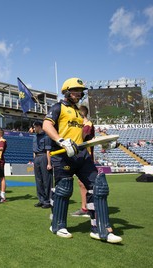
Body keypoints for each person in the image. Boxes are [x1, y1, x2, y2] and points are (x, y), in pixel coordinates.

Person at [43, 77, 122, 243]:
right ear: (66, 91)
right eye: (75, 90)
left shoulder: (79, 113)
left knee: (98, 187)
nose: (79, 93)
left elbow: (84, 136)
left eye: (80, 91)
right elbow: (46, 126)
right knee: (64, 189)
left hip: (81, 154)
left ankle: (100, 229)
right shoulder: (58, 107)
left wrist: (105, 142)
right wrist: (61, 140)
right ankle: (58, 225)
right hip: (62, 154)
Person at [71, 105, 95, 217]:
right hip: (82, 156)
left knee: (86, 183)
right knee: (81, 183)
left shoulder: (87, 125)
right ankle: (85, 207)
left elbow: (81, 138)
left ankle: (87, 208)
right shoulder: (84, 125)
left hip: (86, 156)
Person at [32, 121, 53, 209]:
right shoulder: (34, 137)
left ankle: (48, 201)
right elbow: (34, 150)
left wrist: (49, 163)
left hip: (44, 157)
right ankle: (41, 200)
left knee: (46, 180)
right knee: (38, 180)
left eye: (35, 127)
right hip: (37, 157)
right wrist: (34, 160)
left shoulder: (46, 136)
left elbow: (48, 151)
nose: (33, 129)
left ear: (39, 126)